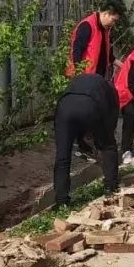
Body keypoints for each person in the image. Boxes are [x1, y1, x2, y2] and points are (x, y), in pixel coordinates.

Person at [52, 73, 120, 206]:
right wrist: (104, 142)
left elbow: (79, 125)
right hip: (90, 105)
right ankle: (111, 187)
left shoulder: (80, 80)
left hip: (64, 108)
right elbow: (110, 123)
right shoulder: (111, 91)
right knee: (109, 146)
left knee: (62, 157)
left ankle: (61, 201)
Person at [66, 1, 122, 77]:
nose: (113, 24)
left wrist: (124, 66)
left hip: (98, 77)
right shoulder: (87, 25)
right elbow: (76, 52)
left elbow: (109, 56)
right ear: (106, 14)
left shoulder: (105, 30)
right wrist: (79, 75)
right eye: (113, 20)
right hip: (86, 77)